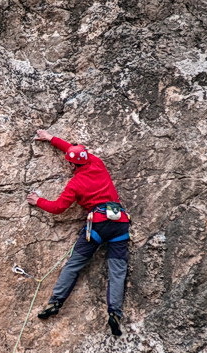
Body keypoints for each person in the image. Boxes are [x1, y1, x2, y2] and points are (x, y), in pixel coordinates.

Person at [27, 129, 130, 336]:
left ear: (72, 165)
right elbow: (75, 153)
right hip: (120, 223)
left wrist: (38, 201)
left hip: (97, 225)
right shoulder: (97, 164)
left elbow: (58, 208)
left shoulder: (75, 184)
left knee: (74, 264)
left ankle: (56, 302)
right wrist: (51, 138)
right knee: (117, 271)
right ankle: (115, 312)